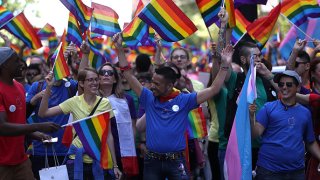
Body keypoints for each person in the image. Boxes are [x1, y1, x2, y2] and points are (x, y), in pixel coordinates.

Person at [113, 32, 233, 179]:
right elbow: (128, 74)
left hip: (177, 162)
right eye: (152, 82)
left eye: (157, 84)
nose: (152, 86)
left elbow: (214, 89)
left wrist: (225, 66)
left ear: (169, 85)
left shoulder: (184, 100)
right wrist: (119, 48)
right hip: (152, 162)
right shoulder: (148, 97)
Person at [38, 67, 121, 179]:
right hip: (76, 159)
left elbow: (109, 135)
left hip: (99, 160)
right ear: (81, 83)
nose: (95, 83)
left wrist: (115, 165)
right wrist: (48, 87)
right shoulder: (74, 101)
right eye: (90, 80)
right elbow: (43, 113)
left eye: (96, 79)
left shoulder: (105, 103)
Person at [0, 47, 60, 180]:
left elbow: (17, 122)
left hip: (21, 160)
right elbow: (2, 127)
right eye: (16, 61)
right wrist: (38, 126)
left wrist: (34, 134)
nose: (21, 64)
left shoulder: (19, 87)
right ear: (4, 66)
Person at [249, 70, 320, 180]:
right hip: (269, 171)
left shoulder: (305, 113)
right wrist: (251, 116)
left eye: (289, 84)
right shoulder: (268, 107)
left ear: (297, 88)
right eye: (281, 84)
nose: (284, 87)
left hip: (296, 172)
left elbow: (310, 142)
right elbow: (255, 134)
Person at [26, 55, 78, 179]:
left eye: (63, 64)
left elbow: (84, 81)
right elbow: (25, 113)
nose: (58, 68)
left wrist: (79, 56)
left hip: (66, 150)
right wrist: (37, 97)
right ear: (49, 66)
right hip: (40, 149)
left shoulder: (71, 86)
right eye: (55, 64)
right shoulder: (37, 86)